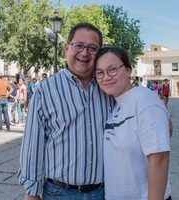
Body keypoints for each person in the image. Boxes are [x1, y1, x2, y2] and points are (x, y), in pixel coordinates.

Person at [18, 22, 114, 200]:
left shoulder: (110, 89)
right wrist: (31, 193)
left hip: (107, 192)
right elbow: (33, 146)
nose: (84, 53)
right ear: (66, 48)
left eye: (92, 48)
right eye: (78, 45)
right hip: (59, 193)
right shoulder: (46, 90)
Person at [95, 46, 171, 200]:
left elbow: (160, 157)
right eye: (100, 72)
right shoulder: (117, 103)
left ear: (129, 70)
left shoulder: (145, 100)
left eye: (112, 69)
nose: (106, 77)